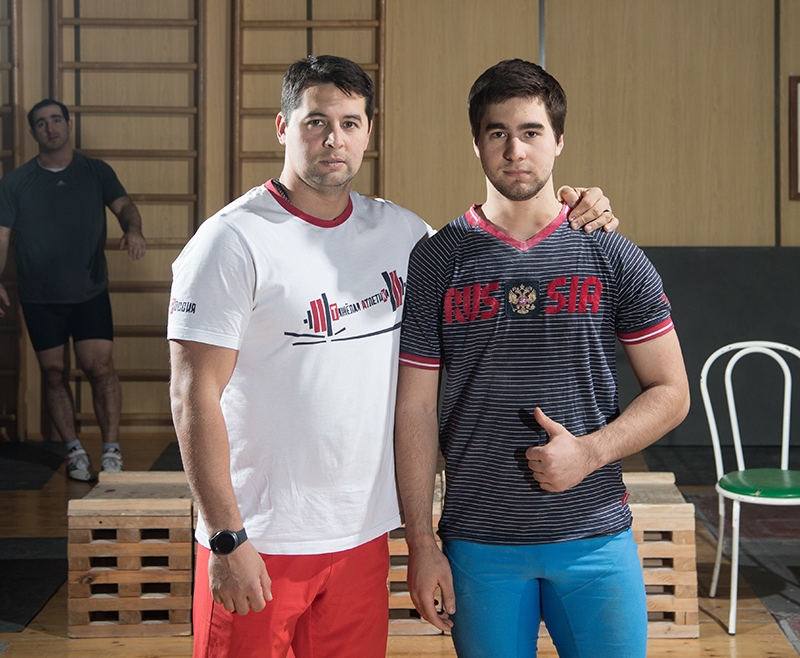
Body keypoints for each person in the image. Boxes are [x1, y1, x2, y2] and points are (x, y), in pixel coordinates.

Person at [166, 54, 617, 658]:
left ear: (368, 133)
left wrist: (579, 207)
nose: (334, 139)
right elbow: (192, 395)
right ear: (282, 127)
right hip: (262, 540)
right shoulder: (231, 240)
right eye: (316, 122)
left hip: (362, 538)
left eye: (350, 123)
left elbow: (499, 235)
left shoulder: (403, 236)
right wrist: (226, 536)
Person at [395, 58, 690, 658]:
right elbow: (415, 410)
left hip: (594, 537)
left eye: (531, 132)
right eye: (497, 133)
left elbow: (672, 392)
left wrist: (591, 452)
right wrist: (421, 544)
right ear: (476, 143)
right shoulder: (436, 260)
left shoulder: (611, 254)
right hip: (479, 543)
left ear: (559, 141)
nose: (515, 150)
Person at [0, 99, 146, 481]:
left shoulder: (96, 172)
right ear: (33, 132)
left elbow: (125, 207)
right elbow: (1, 237)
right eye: (41, 123)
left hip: (89, 292)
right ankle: (75, 451)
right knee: (53, 373)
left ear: (68, 125)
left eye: (56, 120)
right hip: (39, 297)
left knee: (100, 369)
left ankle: (111, 451)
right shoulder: (15, 183)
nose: (50, 128)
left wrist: (133, 230)